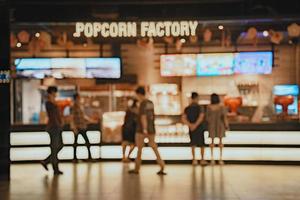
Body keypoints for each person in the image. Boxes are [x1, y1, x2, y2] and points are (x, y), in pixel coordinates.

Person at [128, 86, 166, 175]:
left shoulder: (142, 104)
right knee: (154, 147)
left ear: (139, 94)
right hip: (151, 128)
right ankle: (162, 165)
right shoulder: (151, 103)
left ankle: (137, 168)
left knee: (139, 149)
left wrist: (144, 129)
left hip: (141, 130)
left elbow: (143, 117)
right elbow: (151, 116)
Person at [41, 86, 64, 175]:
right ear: (51, 92)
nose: (55, 94)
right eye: (54, 92)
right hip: (54, 127)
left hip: (58, 127)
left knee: (60, 145)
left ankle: (46, 161)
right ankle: (55, 168)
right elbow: (52, 116)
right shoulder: (49, 103)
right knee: (54, 148)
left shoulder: (54, 102)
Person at [182, 92, 208, 166]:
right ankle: (202, 160)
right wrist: (196, 125)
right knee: (201, 144)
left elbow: (183, 118)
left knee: (193, 144)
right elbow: (201, 116)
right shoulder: (200, 107)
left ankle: (194, 160)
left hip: (191, 128)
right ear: (197, 98)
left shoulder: (187, 108)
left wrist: (190, 125)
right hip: (200, 127)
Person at [71, 93, 95, 162]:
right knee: (76, 143)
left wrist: (91, 120)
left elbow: (83, 116)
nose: (80, 99)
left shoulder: (80, 106)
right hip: (77, 127)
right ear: (76, 98)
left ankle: (88, 157)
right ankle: (75, 158)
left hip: (82, 126)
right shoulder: (73, 107)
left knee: (85, 142)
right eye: (79, 98)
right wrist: (74, 127)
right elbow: (71, 118)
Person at [206, 93, 229, 165]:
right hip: (220, 125)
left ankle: (212, 159)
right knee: (220, 142)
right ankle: (220, 159)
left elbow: (207, 117)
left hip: (212, 125)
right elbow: (224, 117)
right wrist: (226, 125)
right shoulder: (221, 106)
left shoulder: (209, 107)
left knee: (212, 142)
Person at [121, 98, 138, 162]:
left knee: (125, 143)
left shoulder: (129, 109)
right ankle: (126, 157)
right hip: (132, 128)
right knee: (132, 144)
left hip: (126, 128)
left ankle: (124, 157)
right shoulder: (136, 110)